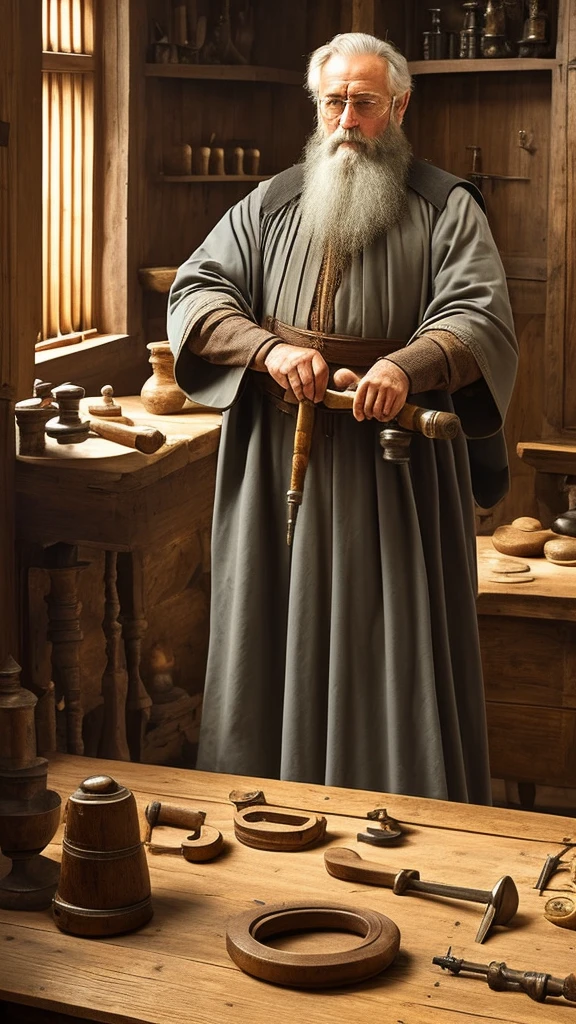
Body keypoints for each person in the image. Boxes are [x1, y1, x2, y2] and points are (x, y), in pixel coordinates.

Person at [167, 32, 518, 803]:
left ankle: (400, 810)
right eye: (334, 103)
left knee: (389, 645)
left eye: (364, 103)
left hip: (394, 469)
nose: (347, 122)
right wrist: (266, 351)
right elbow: (195, 293)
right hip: (275, 460)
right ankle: (265, 812)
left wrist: (405, 366)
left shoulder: (447, 206)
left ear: (397, 106)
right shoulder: (269, 202)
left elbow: (479, 316)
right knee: (269, 629)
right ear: (316, 107)